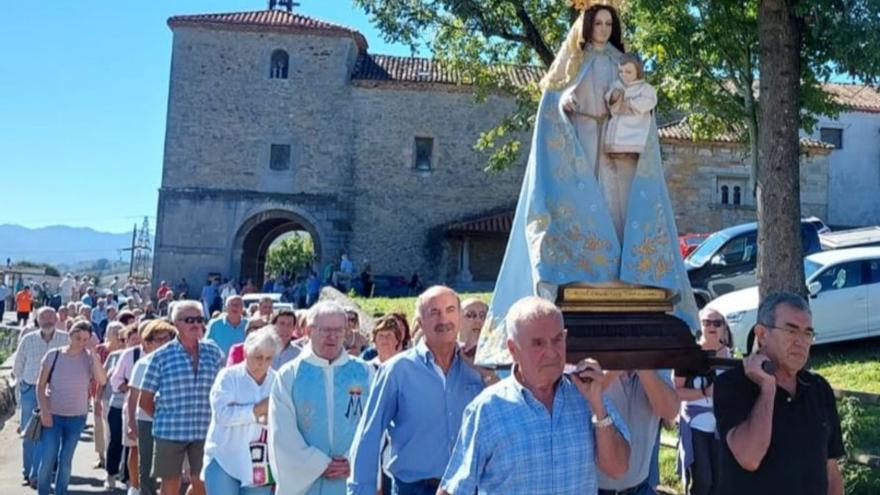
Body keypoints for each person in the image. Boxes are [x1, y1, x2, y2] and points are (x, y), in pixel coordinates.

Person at [476, 2, 697, 368]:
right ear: (587, 25)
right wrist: (565, 103)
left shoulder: (620, 60)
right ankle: (589, 268)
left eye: (610, 23)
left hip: (615, 142)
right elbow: (552, 105)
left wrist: (626, 102)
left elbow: (638, 93)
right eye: (599, 22)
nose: (605, 29)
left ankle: (621, 274)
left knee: (616, 205)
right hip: (579, 139)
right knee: (587, 203)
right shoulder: (570, 64)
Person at [439, 297, 630, 494]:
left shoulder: (587, 395)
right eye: (538, 343)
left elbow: (618, 469)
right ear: (513, 349)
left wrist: (598, 406)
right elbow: (453, 489)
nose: (551, 352)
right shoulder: (488, 409)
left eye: (557, 340)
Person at [348, 286, 484, 495]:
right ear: (419, 322)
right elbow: (370, 436)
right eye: (434, 312)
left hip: (467, 488)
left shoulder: (476, 369)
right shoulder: (397, 371)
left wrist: (486, 374)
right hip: (415, 489)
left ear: (459, 317)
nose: (443, 319)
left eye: (449, 310)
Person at [714, 292, 844, 495]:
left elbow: (831, 471)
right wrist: (767, 389)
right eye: (791, 331)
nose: (801, 342)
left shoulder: (818, 388)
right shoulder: (732, 385)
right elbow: (749, 457)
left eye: (807, 333)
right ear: (762, 334)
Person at [269, 301, 374, 495]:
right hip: (306, 483)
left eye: (339, 330)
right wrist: (319, 464)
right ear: (308, 331)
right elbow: (281, 431)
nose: (333, 337)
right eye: (325, 330)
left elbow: (373, 424)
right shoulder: (290, 375)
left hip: (351, 478)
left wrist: (352, 460)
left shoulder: (364, 372)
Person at [139, 301, 224, 495]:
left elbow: (222, 390)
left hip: (204, 430)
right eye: (189, 320)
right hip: (171, 432)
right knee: (170, 484)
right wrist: (164, 419)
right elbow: (144, 400)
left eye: (199, 319)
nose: (195, 324)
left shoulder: (214, 353)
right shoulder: (161, 356)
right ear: (176, 323)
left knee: (202, 482)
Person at [203, 328, 280, 495]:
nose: (263, 363)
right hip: (224, 456)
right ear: (246, 352)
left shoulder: (277, 381)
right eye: (258, 357)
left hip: (261, 461)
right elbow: (222, 415)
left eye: (269, 358)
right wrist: (257, 410)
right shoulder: (228, 377)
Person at [36, 320, 108, 495]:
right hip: (53, 414)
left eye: (85, 339)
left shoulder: (89, 358)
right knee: (48, 458)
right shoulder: (54, 355)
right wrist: (44, 410)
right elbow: (40, 385)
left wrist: (94, 355)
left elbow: (102, 380)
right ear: (70, 336)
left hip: (77, 416)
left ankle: (61, 492)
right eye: (78, 338)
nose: (81, 343)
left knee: (66, 460)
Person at [674, 308, 731, 495]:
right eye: (707, 322)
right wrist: (704, 392)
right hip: (695, 424)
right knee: (702, 481)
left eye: (717, 323)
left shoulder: (729, 356)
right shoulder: (687, 356)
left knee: (720, 482)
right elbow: (675, 391)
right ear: (699, 326)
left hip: (721, 426)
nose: (712, 326)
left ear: (724, 328)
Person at [13, 307, 69, 487]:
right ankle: (27, 471)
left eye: (51, 317)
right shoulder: (28, 339)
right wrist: (22, 387)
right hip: (30, 390)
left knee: (50, 434)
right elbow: (18, 366)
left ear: (56, 318)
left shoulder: (65, 338)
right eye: (43, 317)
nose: (47, 320)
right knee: (29, 432)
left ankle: (41, 473)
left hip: (54, 392)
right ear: (37, 320)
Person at [128, 320, 177, 495]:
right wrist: (131, 423)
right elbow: (133, 397)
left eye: (168, 338)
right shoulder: (143, 364)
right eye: (159, 339)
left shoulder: (179, 362)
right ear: (148, 343)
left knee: (171, 469)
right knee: (147, 465)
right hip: (147, 420)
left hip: (174, 421)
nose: (164, 342)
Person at [603, 53, 657, 156]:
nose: (624, 75)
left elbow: (650, 101)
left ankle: (631, 152)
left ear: (638, 71)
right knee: (616, 137)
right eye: (620, 71)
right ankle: (615, 151)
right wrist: (613, 97)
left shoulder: (645, 88)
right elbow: (608, 96)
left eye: (628, 72)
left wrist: (632, 103)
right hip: (618, 123)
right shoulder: (617, 85)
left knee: (632, 141)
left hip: (635, 126)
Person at [97, 322, 129, 488]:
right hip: (114, 402)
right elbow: (103, 380)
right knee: (115, 439)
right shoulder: (114, 356)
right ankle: (111, 473)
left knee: (131, 443)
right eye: (123, 339)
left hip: (134, 406)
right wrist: (97, 400)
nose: (124, 343)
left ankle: (128, 476)